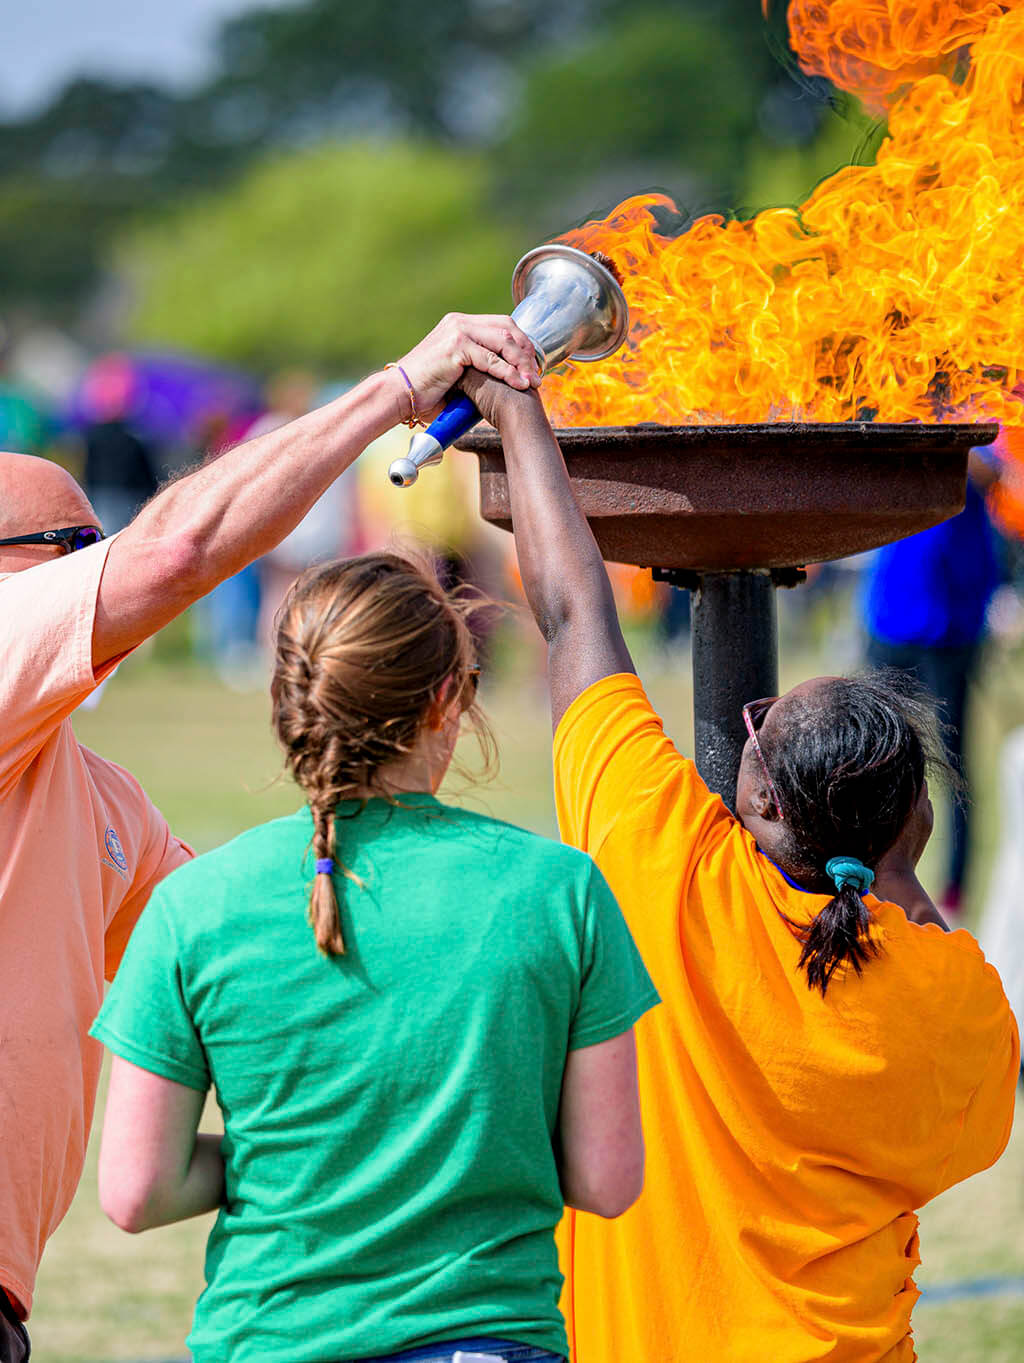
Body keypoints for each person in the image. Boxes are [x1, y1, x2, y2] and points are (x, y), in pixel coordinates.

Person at [0, 312, 544, 1363]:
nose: (101, 573)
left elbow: (260, 956)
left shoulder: (101, 801)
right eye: (75, 555)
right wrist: (402, 383)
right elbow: (178, 551)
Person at [456, 370, 1019, 1363]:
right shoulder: (956, 996)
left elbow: (572, 611)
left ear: (757, 799)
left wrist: (516, 409)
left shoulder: (660, 863)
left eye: (757, 730)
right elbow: (959, 1099)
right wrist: (900, 876)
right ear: (910, 820)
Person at [90, 549, 658, 1363]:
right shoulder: (558, 890)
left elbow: (135, 1190)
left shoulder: (195, 904)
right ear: (448, 699)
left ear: (290, 701)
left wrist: (282, 1149)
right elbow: (608, 1178)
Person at [860, 452, 1002, 911]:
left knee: (954, 765)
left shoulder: (977, 395)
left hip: (951, 622)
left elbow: (992, 471)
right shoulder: (905, 396)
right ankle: (864, 877)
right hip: (893, 611)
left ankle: (954, 890)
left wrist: (949, 448)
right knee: (870, 757)